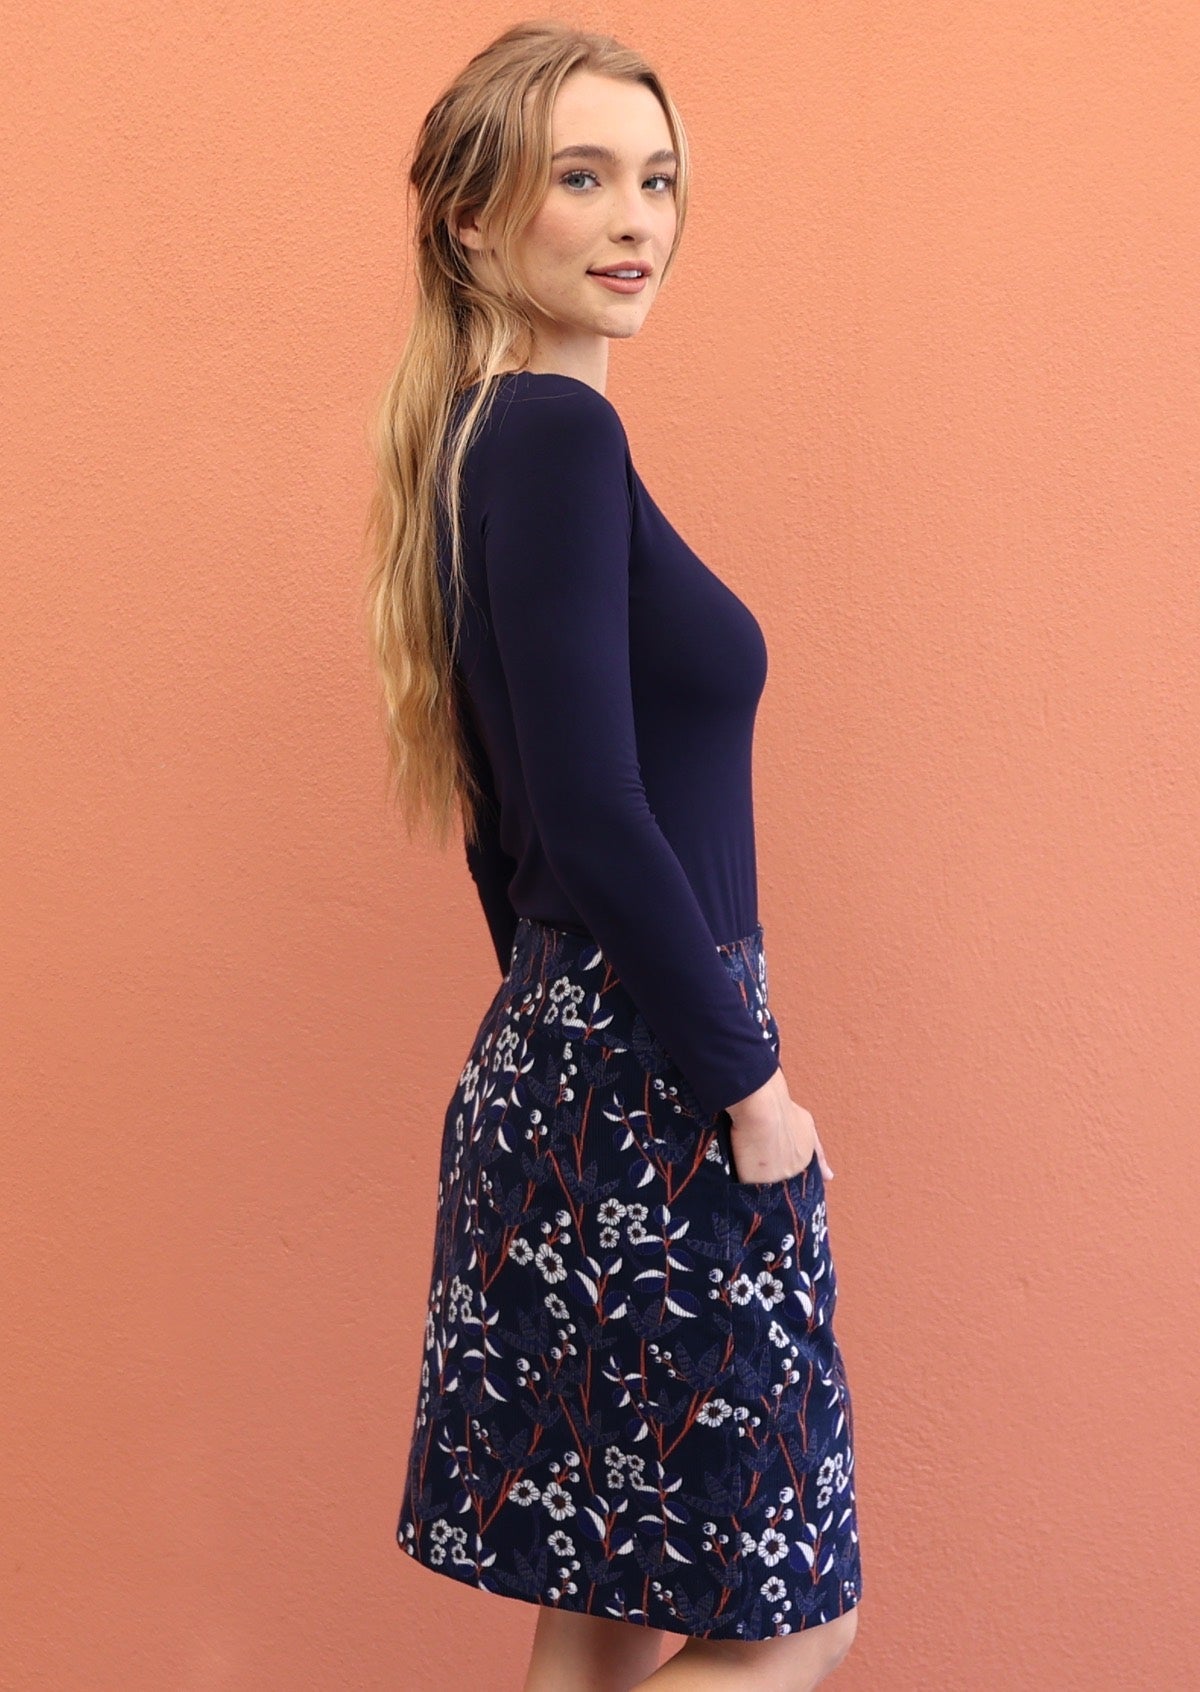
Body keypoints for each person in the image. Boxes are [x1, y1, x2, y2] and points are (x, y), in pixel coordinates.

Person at [363, 21, 863, 1690]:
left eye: (655, 179)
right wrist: (751, 1081)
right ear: (470, 215)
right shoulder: (559, 440)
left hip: (569, 1056)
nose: (634, 218)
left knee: (591, 1608)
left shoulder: (478, 442)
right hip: (656, 1072)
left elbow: (509, 838)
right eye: (581, 178)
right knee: (797, 1617)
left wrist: (574, 1033)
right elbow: (580, 807)